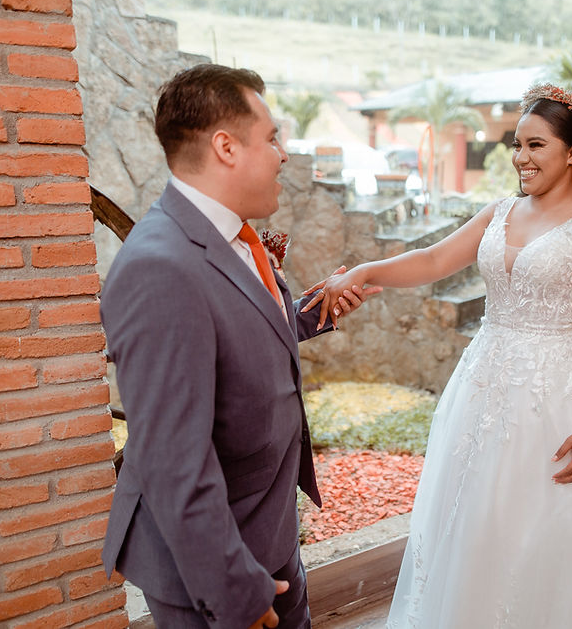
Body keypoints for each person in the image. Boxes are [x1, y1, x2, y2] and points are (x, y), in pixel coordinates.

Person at [308, 84, 572, 627]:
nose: (521, 158)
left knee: (546, 523)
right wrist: (364, 272)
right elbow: (434, 261)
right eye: (517, 145)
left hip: (555, 395)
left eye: (536, 146)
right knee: (479, 517)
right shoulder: (499, 211)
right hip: (482, 382)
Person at [100, 64, 377, 629]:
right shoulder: (160, 265)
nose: (283, 155)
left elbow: (233, 335)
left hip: (267, 529)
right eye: (272, 137)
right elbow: (171, 461)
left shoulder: (234, 237)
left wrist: (307, 315)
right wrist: (233, 592)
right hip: (214, 570)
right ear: (226, 147)